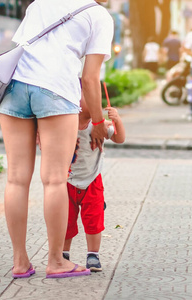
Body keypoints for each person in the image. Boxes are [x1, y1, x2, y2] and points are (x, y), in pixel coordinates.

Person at [0, 0, 113, 278]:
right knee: (54, 179)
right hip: (55, 90)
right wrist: (97, 122)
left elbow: (25, 46)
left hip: (14, 87)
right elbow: (90, 78)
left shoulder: (40, 2)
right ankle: (55, 261)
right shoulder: (99, 15)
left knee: (16, 178)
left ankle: (20, 262)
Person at [62, 95, 125, 272]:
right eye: (88, 96)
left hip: (92, 180)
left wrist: (117, 120)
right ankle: (63, 253)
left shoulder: (100, 125)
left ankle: (93, 254)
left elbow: (119, 138)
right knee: (66, 219)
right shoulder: (66, 123)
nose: (94, 102)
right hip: (67, 181)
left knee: (94, 219)